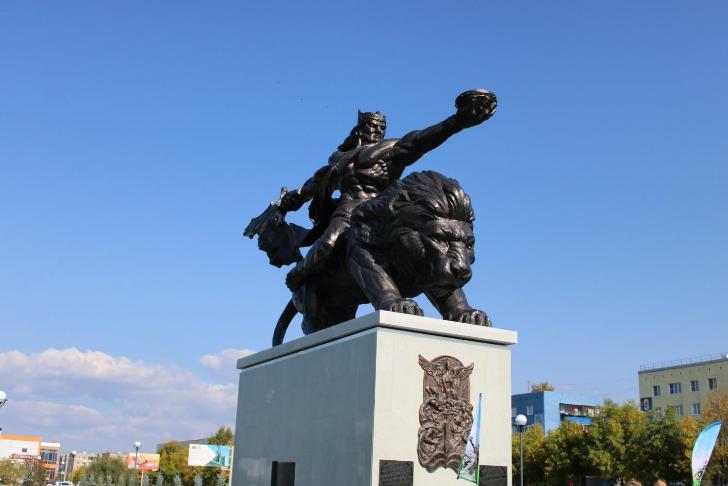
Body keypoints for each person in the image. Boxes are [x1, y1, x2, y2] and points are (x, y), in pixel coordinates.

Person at [277, 89, 497, 292]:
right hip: (346, 210)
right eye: (372, 126)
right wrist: (295, 198)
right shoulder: (338, 159)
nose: (377, 130)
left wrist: (457, 121)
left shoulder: (390, 150)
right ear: (359, 129)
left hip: (378, 208)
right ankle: (300, 273)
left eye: (381, 128)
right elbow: (315, 183)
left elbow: (421, 140)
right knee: (328, 242)